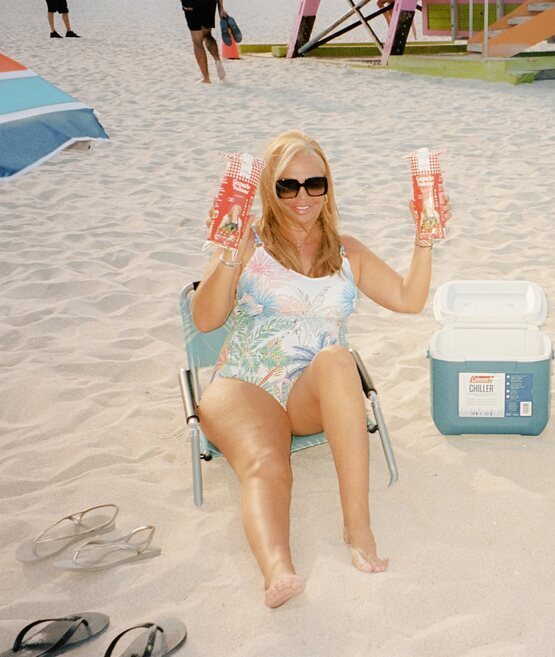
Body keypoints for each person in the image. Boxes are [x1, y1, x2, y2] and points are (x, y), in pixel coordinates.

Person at [192, 131, 440, 608]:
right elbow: (206, 320)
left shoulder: (346, 251)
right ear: (269, 188)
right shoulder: (248, 243)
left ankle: (358, 527)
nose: (302, 196)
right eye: (288, 186)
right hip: (246, 383)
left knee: (336, 359)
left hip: (311, 392)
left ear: (328, 186)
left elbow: (409, 300)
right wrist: (227, 252)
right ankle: (277, 569)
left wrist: (424, 240)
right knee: (267, 465)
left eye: (314, 183)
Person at [181, 0, 227, 84]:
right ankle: (217, 60)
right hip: (209, 3)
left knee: (197, 41)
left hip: (192, 4)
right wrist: (221, 8)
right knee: (207, 34)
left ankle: (206, 78)